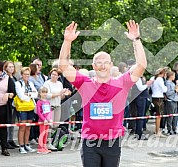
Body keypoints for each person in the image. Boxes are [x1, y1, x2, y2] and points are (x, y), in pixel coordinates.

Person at [58, 20, 146, 167]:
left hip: (112, 142)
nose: (103, 65)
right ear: (94, 66)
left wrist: (136, 40)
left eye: (106, 62)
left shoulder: (122, 83)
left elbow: (142, 65)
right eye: (99, 62)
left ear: (111, 65)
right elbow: (63, 65)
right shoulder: (85, 83)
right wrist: (67, 41)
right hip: (90, 142)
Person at [15, 67, 37, 154]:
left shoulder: (30, 83)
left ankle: (26, 144)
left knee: (28, 126)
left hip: (30, 107)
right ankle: (21, 146)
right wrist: (30, 95)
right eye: (25, 74)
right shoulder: (18, 83)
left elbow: (36, 94)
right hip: (22, 107)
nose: (27, 76)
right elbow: (21, 96)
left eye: (28, 74)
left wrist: (27, 94)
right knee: (22, 126)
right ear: (22, 75)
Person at [3, 61, 19, 148]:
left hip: (15, 103)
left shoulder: (15, 78)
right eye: (9, 67)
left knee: (12, 122)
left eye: (12, 67)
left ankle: (11, 139)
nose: (11, 68)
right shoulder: (5, 78)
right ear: (5, 68)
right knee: (8, 122)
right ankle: (6, 140)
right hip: (8, 103)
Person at [151, 68, 167, 137]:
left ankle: (156, 129)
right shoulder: (160, 79)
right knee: (159, 115)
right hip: (159, 97)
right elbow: (164, 89)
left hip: (154, 96)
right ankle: (158, 131)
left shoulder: (153, 78)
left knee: (157, 114)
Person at [36, 86, 52, 154]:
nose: (44, 94)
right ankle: (40, 147)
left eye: (45, 92)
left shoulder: (48, 102)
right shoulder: (39, 102)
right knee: (42, 134)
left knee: (46, 133)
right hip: (42, 121)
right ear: (40, 93)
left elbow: (50, 111)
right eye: (43, 92)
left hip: (47, 121)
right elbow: (39, 112)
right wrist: (44, 119)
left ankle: (44, 146)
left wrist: (50, 119)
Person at [165, 71, 178, 135]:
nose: (174, 77)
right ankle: (169, 129)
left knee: (175, 116)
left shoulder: (172, 83)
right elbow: (168, 93)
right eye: (173, 76)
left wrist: (177, 85)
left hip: (175, 100)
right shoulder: (168, 83)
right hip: (170, 101)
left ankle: (174, 128)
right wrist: (175, 91)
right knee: (170, 116)